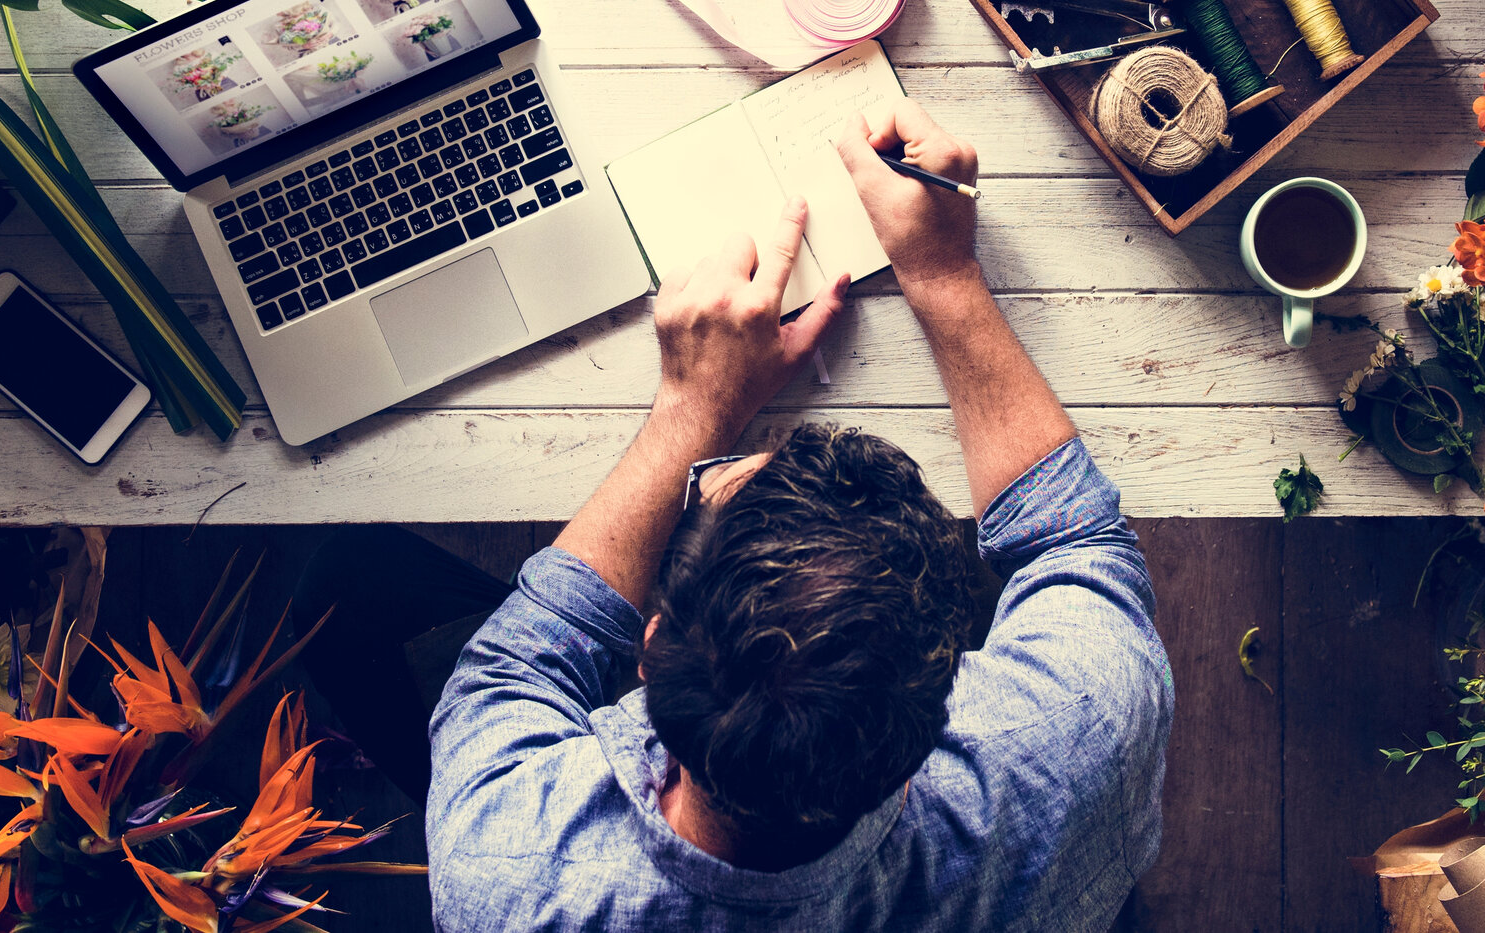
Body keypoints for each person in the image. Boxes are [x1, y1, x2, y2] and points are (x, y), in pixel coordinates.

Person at [426, 99, 1174, 929]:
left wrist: (691, 411)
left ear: (648, 649)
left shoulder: (507, 870)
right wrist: (942, 273)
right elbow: (1072, 537)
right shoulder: (1078, 737)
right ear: (921, 740)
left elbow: (511, 669)